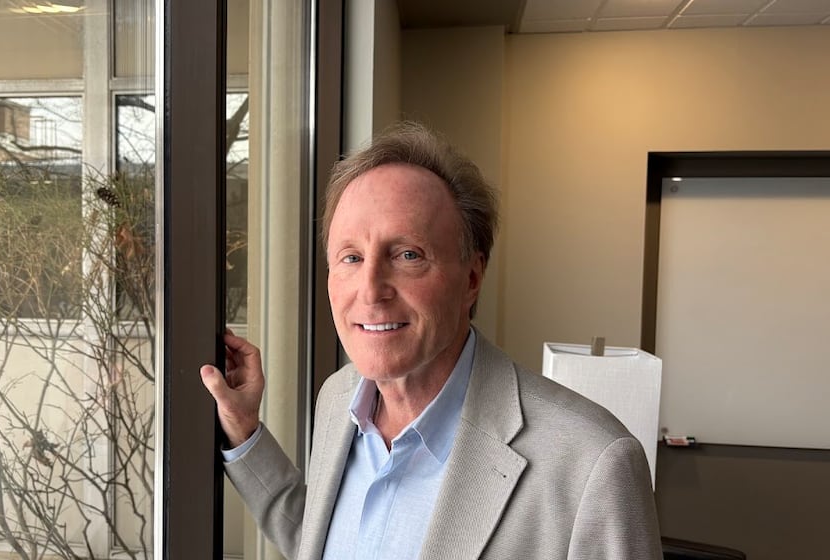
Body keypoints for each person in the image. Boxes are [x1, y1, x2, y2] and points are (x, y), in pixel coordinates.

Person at [200, 121, 662, 559]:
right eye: (351, 257)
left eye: (407, 255)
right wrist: (243, 430)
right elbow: (324, 540)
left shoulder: (593, 464)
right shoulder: (337, 397)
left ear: (472, 278)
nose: (371, 289)